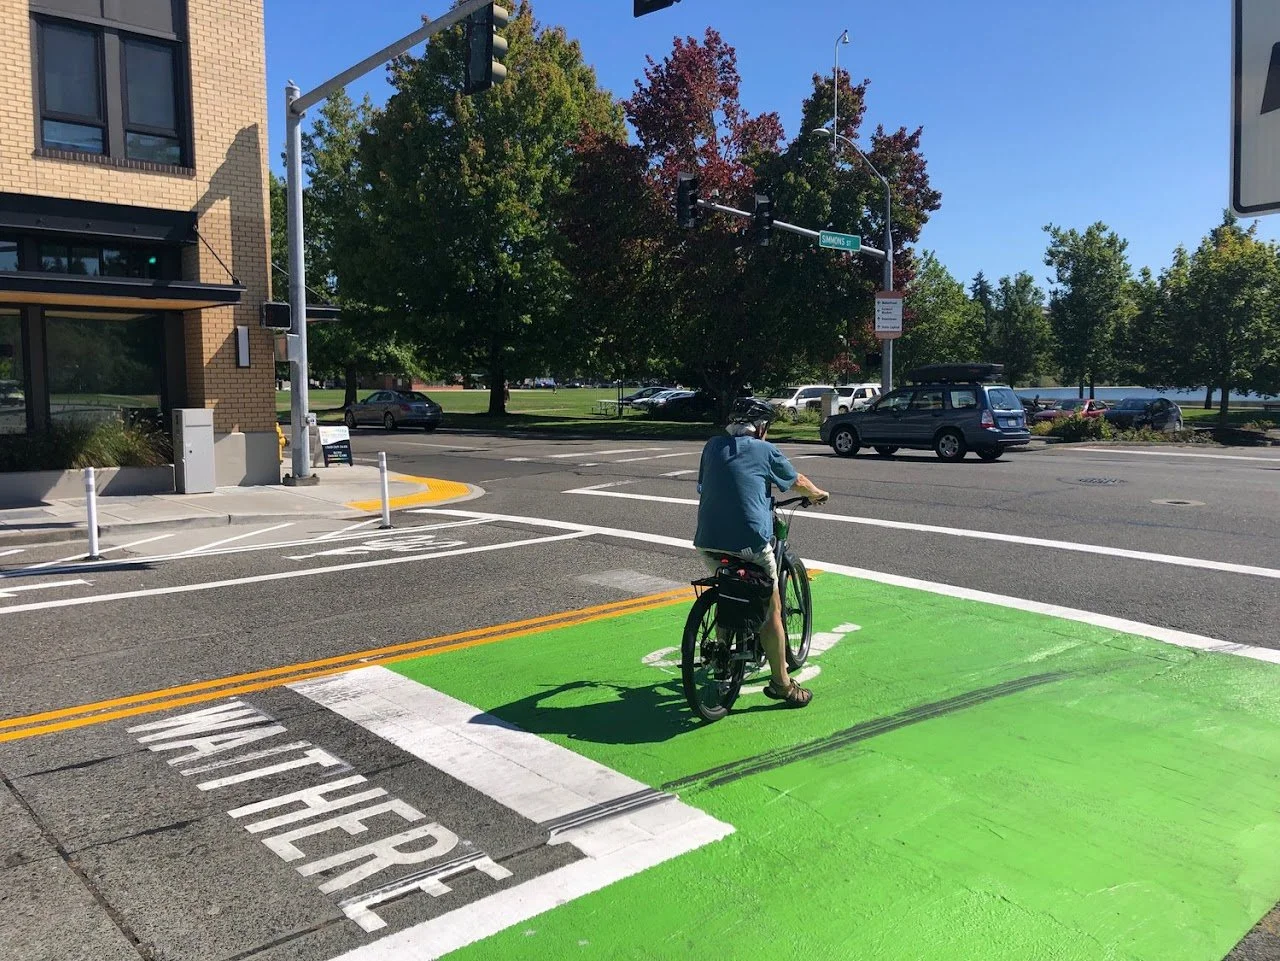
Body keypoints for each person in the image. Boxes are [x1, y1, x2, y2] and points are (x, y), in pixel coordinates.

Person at [694, 398, 829, 708]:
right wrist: (819, 494)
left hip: (708, 540)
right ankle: (782, 684)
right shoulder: (765, 450)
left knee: (730, 589)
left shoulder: (712, 446)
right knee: (772, 612)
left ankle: (722, 650)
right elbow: (797, 482)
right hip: (749, 542)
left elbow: (706, 487)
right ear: (761, 428)